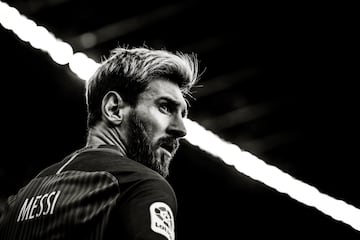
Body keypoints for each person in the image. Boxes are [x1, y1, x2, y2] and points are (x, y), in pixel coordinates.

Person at [0, 46, 200, 240]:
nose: (181, 130)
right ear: (114, 109)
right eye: (165, 107)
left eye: (183, 114)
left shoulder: (16, 204)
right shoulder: (139, 185)